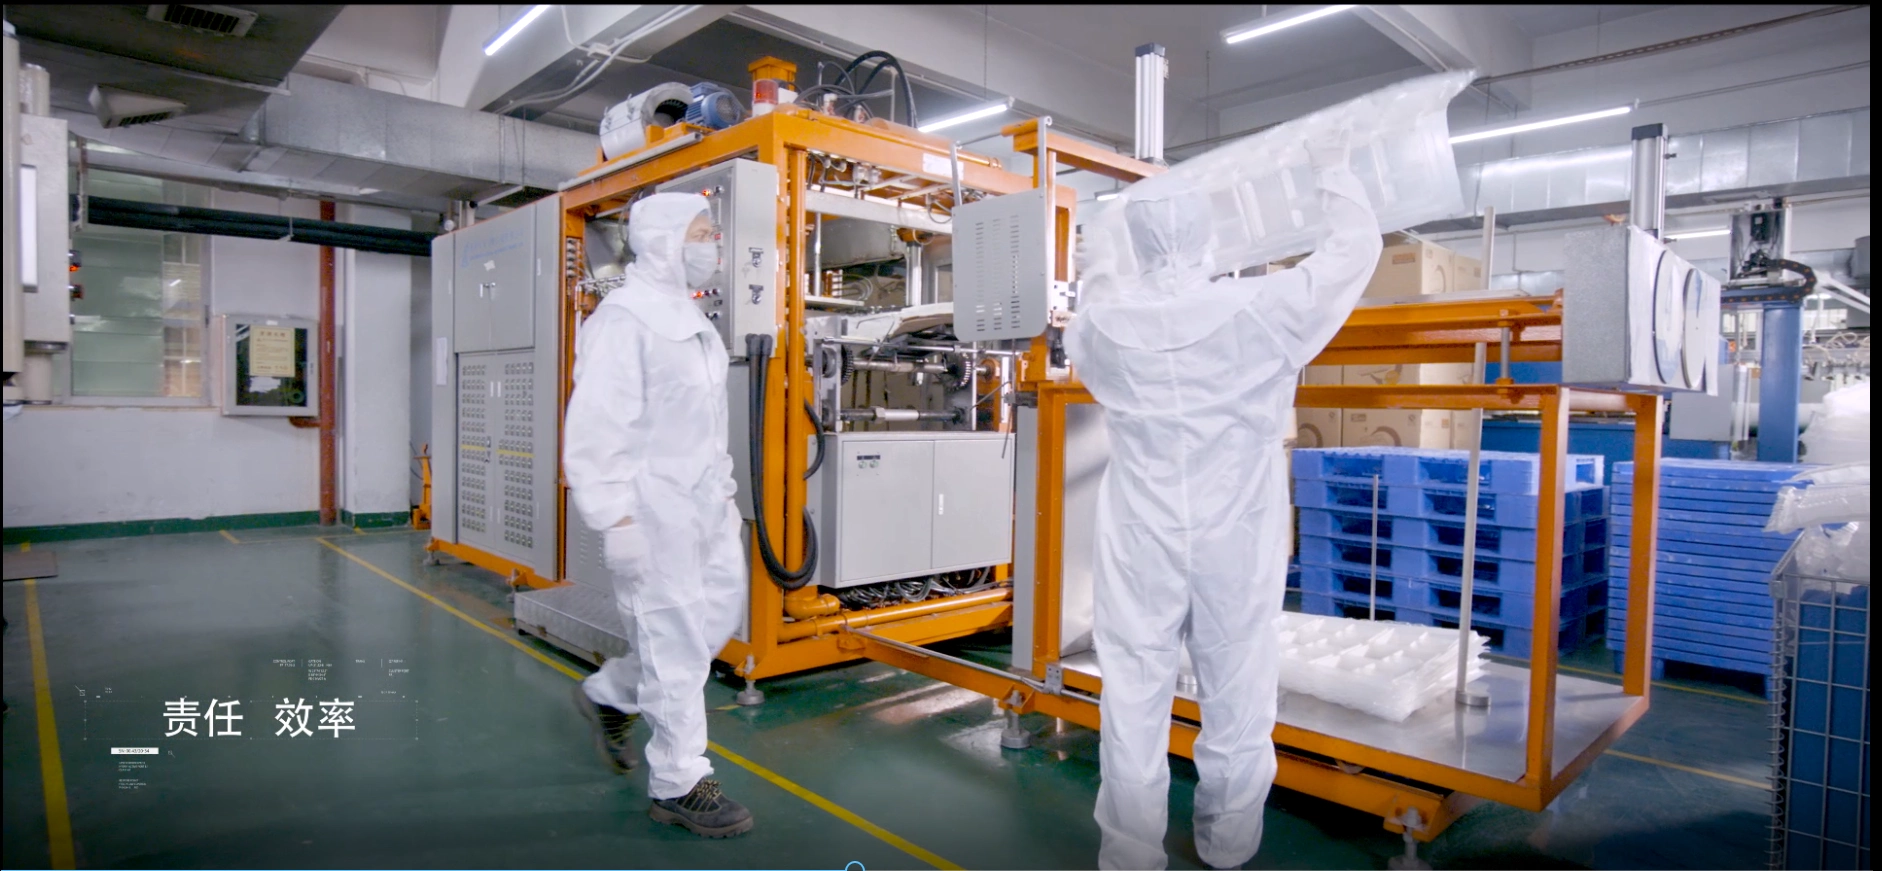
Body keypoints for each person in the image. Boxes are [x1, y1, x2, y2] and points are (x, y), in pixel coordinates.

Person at [1065, 136, 1381, 870]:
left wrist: (1101, 249)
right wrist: (1333, 170)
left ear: (1141, 243)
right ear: (1209, 231)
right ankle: (1229, 843)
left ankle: (1130, 853)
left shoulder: (1105, 326)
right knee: (1238, 684)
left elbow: (1094, 297)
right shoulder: (1262, 309)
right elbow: (1352, 252)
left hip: (1140, 531)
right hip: (1235, 530)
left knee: (1133, 690)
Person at [563, 191, 754, 839]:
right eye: (701, 233)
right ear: (664, 240)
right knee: (674, 642)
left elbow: (706, 422)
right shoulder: (623, 320)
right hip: (651, 510)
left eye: (712, 234)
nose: (712, 245)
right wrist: (615, 518)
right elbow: (595, 428)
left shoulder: (689, 317)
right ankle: (680, 782)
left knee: (712, 623)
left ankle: (611, 692)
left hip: (705, 506)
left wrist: (722, 493)